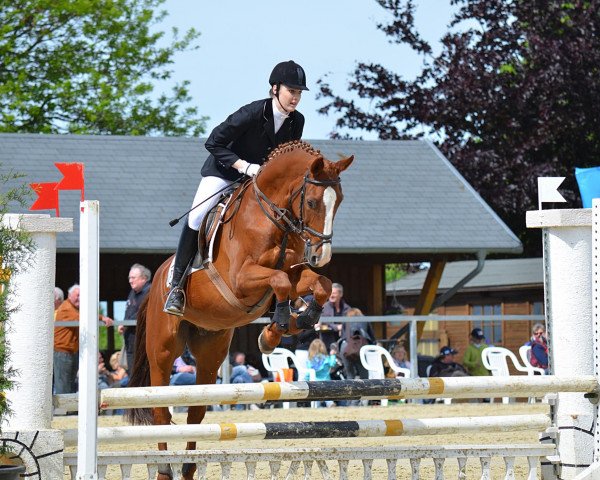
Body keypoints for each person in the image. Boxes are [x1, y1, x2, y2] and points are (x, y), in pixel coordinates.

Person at [164, 60, 308, 316]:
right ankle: (177, 286)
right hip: (224, 171)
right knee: (197, 216)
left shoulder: (297, 122)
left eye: (298, 93)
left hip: (258, 182)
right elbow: (214, 142)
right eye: (291, 91)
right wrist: (243, 166)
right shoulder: (252, 113)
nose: (295, 98)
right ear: (275, 89)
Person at [54, 284, 113, 395]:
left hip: (71, 353)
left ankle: (68, 412)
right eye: (77, 295)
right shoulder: (66, 308)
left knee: (71, 386)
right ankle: (61, 412)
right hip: (62, 354)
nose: (80, 298)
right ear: (69, 295)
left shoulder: (76, 309)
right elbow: (83, 319)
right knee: (63, 387)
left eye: (82, 295)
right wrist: (102, 318)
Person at [119, 263, 152, 372]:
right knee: (132, 374)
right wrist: (123, 324)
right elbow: (128, 312)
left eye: (133, 278)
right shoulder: (132, 293)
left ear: (144, 278)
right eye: (129, 278)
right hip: (130, 341)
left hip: (143, 341)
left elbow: (142, 313)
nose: (130, 280)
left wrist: (125, 323)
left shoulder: (150, 292)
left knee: (142, 374)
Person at [339, 307, 375, 380]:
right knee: (364, 374)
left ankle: (350, 390)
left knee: (350, 375)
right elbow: (371, 336)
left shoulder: (346, 320)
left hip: (346, 347)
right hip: (361, 347)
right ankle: (364, 390)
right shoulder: (365, 319)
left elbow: (343, 335)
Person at [306, 339, 337, 407]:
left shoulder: (310, 360)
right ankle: (330, 403)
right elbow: (332, 364)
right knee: (327, 395)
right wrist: (332, 355)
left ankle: (317, 407)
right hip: (326, 382)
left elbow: (308, 372)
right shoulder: (326, 358)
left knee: (316, 400)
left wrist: (306, 380)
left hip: (314, 383)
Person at [318, 283, 350, 347]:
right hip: (327, 343)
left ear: (340, 294)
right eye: (330, 293)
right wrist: (337, 327)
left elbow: (350, 323)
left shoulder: (347, 308)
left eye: (334, 293)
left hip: (343, 343)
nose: (331, 295)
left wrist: (342, 327)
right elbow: (322, 323)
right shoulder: (323, 307)